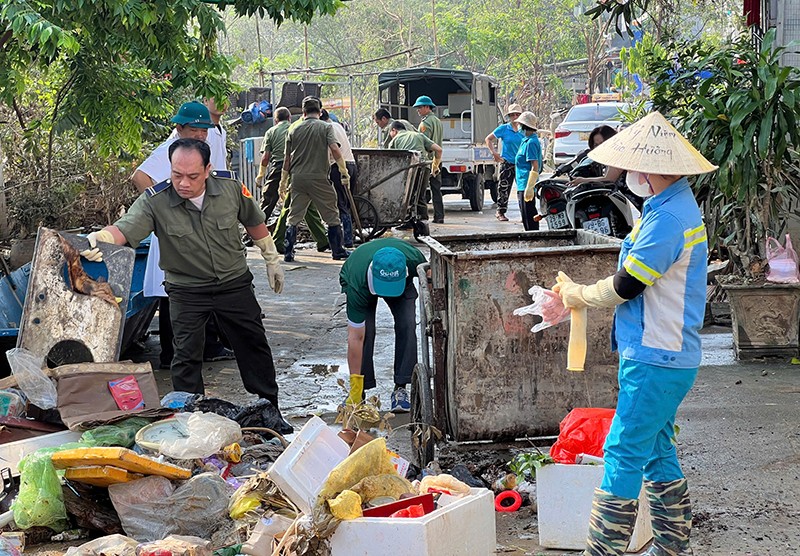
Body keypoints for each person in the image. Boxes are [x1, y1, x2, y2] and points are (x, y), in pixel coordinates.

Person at [552, 111, 717, 556]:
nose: (629, 175)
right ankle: (671, 549)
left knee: (624, 451)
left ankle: (601, 551)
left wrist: (578, 296)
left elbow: (627, 285)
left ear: (654, 168)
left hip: (656, 356)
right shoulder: (667, 208)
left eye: (633, 167)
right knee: (658, 451)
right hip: (661, 353)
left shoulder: (667, 220)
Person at [81, 138, 293, 433]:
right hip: (186, 290)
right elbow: (126, 227)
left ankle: (270, 409)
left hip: (233, 284)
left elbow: (253, 220)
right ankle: (190, 420)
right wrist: (102, 238)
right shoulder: (156, 200)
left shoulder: (230, 188)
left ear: (207, 169)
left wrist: (271, 257)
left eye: (192, 176)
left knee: (253, 344)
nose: (183, 183)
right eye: (176, 174)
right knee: (186, 356)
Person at [131, 101, 232, 367]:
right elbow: (140, 176)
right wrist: (162, 211)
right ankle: (170, 354)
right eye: (195, 129)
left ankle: (206, 347)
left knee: (203, 287)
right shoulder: (170, 150)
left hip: (196, 233)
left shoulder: (201, 150)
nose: (201, 134)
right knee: (172, 293)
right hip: (174, 234)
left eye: (204, 129)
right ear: (179, 128)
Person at [339, 238, 426, 413]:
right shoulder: (356, 279)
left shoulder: (414, 258)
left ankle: (401, 387)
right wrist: (354, 386)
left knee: (407, 324)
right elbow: (355, 337)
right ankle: (359, 391)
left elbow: (431, 277)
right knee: (366, 333)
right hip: (362, 283)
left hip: (402, 284)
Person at [281, 97, 350, 261]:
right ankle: (337, 250)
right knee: (331, 214)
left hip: (297, 178)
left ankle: (288, 252)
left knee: (294, 215)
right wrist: (343, 171)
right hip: (319, 177)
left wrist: (283, 182)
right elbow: (335, 149)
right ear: (319, 112)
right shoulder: (325, 127)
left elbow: (286, 159)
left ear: (303, 113)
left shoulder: (293, 129)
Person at [387, 121, 443, 227]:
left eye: (390, 133)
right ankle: (423, 223)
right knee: (420, 195)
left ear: (394, 130)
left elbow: (391, 160)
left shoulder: (394, 140)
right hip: (424, 167)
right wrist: (435, 165)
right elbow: (439, 150)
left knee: (406, 196)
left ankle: (407, 221)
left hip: (408, 169)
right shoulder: (419, 135)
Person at [321, 109, 356, 248]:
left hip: (339, 166)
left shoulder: (328, 128)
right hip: (352, 164)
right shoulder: (337, 125)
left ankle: (347, 240)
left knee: (341, 204)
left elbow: (335, 149)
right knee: (347, 204)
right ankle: (349, 236)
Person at [485, 103, 524, 221]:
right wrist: (494, 153)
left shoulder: (524, 129)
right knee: (504, 188)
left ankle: (525, 213)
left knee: (523, 189)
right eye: (513, 115)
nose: (515, 117)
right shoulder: (504, 128)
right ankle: (500, 211)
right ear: (509, 116)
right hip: (507, 162)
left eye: (517, 114)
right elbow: (488, 139)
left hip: (521, 163)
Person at [256, 107, 292, 220]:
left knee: (268, 199)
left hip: (278, 168)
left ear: (276, 120)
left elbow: (266, 157)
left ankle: (257, 228)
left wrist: (260, 175)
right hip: (296, 167)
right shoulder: (294, 129)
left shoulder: (271, 132)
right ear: (289, 118)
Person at [413, 95, 445, 223]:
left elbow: (424, 143)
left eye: (420, 107)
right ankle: (439, 216)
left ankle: (422, 217)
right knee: (436, 190)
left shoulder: (425, 123)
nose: (418, 110)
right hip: (437, 161)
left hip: (428, 161)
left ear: (427, 107)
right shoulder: (437, 121)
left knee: (420, 191)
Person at [514, 111, 543, 231]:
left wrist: (530, 187)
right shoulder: (525, 140)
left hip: (527, 183)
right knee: (525, 214)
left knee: (529, 214)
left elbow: (535, 166)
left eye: (520, 125)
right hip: (521, 183)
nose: (519, 127)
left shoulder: (531, 142)